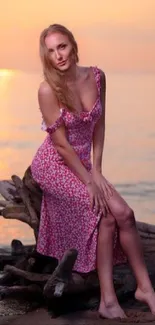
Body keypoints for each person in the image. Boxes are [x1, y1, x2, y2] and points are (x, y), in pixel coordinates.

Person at [31, 24, 155, 319]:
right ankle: (108, 301)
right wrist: (89, 182)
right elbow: (60, 145)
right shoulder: (48, 89)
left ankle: (145, 289)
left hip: (86, 164)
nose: (58, 55)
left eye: (62, 46)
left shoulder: (97, 77)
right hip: (55, 164)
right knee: (106, 214)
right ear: (46, 57)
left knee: (125, 215)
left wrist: (97, 171)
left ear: (73, 45)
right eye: (50, 51)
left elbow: (99, 125)